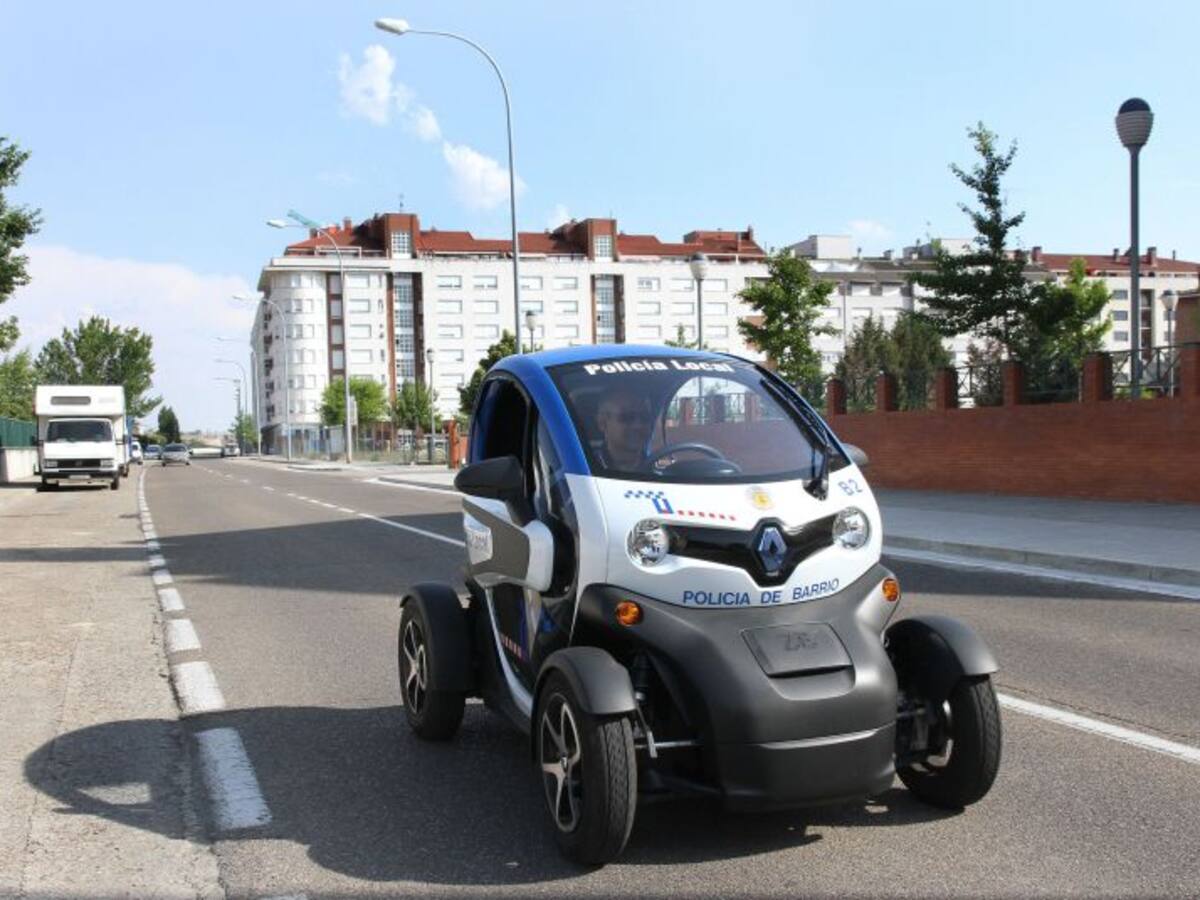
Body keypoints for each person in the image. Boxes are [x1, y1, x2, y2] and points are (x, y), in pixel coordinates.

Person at [595, 391, 654, 471]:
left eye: (645, 417)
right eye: (627, 417)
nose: (638, 426)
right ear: (603, 423)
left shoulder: (656, 470)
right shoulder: (585, 468)